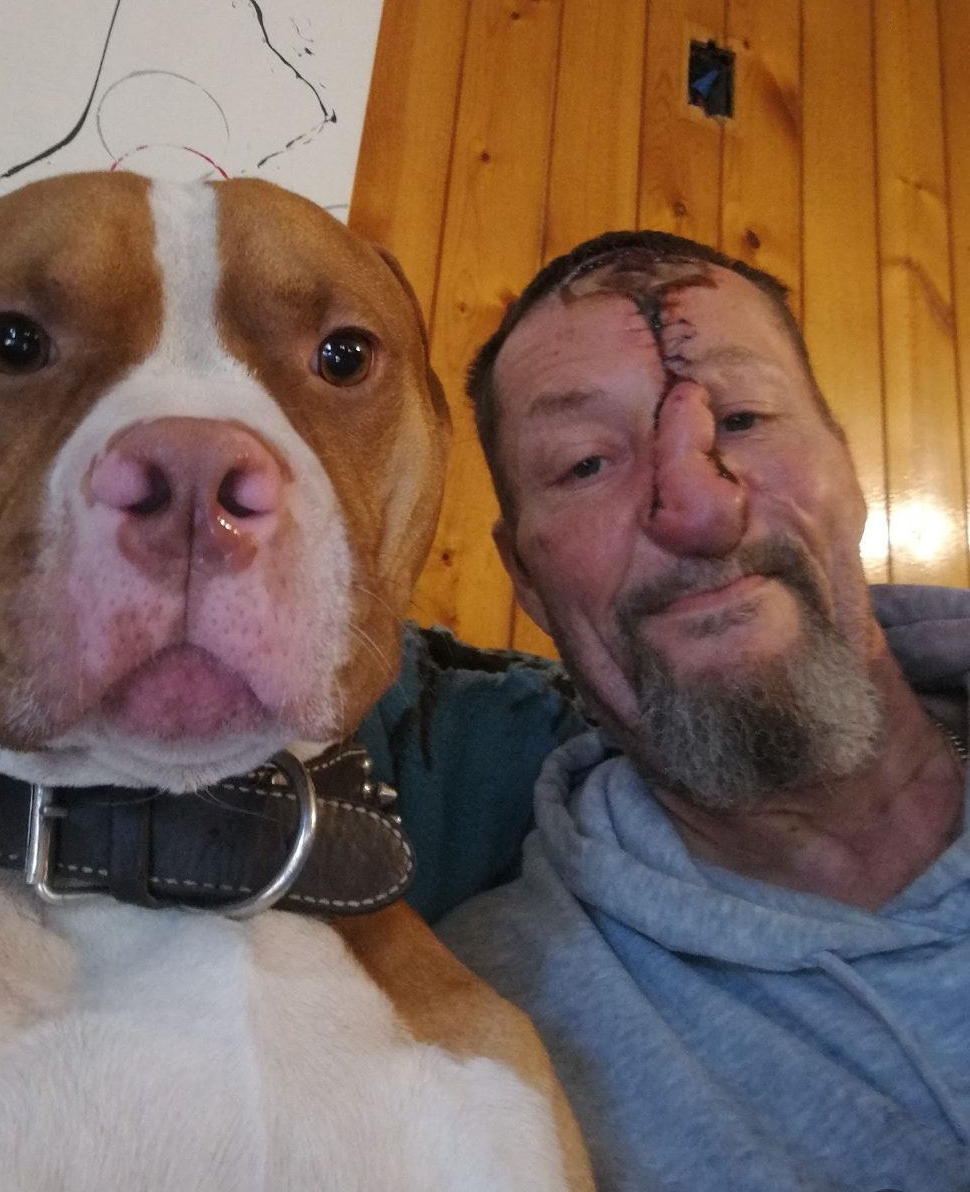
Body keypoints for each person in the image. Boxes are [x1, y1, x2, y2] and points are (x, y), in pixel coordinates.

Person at [360, 230, 970, 1191]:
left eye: (745, 418)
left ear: (849, 472)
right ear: (525, 577)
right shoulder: (477, 1030)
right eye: (585, 465)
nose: (697, 507)